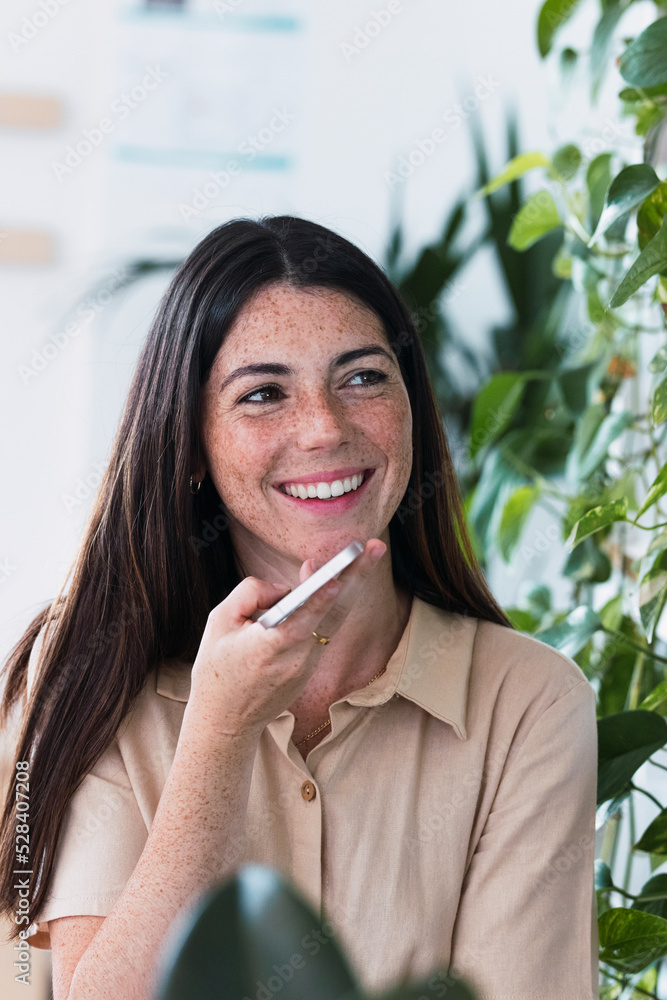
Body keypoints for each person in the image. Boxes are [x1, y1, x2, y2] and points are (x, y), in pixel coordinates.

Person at [0, 216, 599, 1000]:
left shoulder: (526, 703)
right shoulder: (87, 670)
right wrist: (219, 731)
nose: (324, 428)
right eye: (262, 394)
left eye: (361, 378)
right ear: (188, 444)